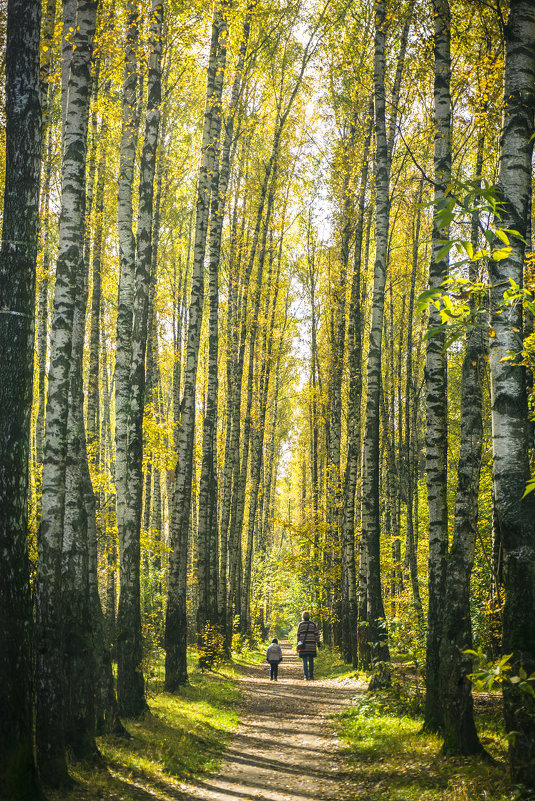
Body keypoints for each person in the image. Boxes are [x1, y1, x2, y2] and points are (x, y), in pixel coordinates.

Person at [296, 611, 320, 680]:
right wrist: (318, 644)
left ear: (302, 616)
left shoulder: (300, 624)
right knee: (311, 660)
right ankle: (311, 675)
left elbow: (298, 636)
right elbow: (316, 635)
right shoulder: (313, 624)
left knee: (304, 661)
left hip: (303, 646)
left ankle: (306, 676)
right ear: (309, 616)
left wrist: (297, 645)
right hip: (312, 645)